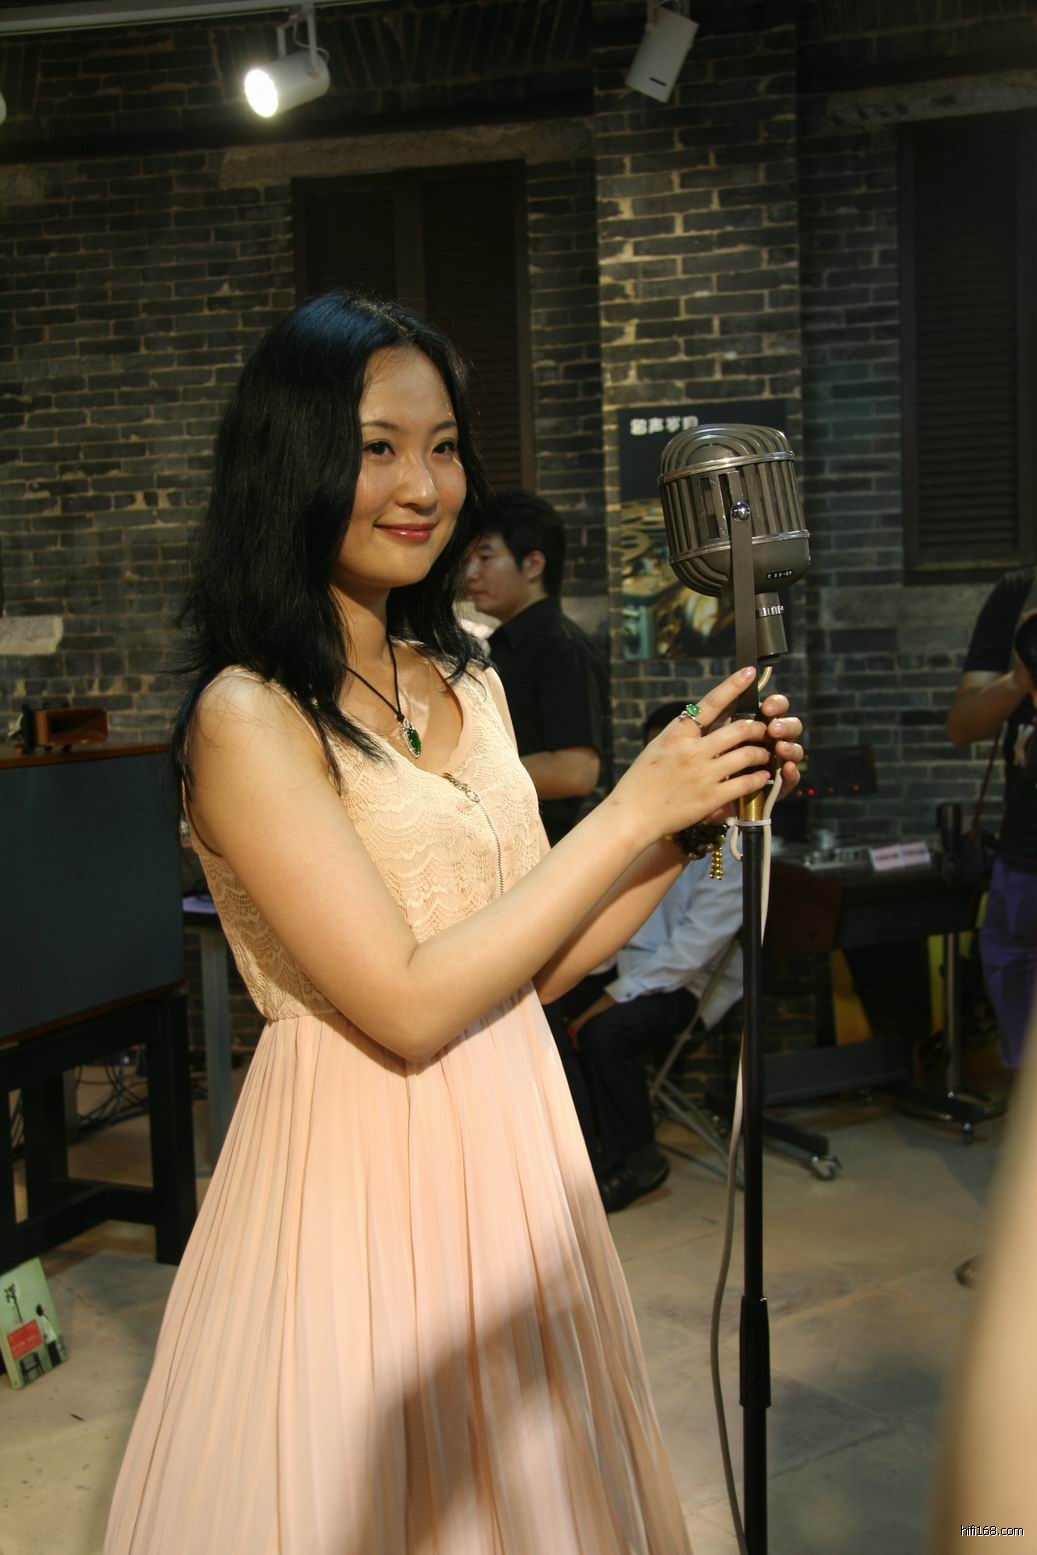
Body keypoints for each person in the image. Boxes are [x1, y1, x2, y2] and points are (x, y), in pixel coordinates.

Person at [103, 289, 803, 1555]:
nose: (422, 486)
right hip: (354, 1151)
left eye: (442, 447)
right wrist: (628, 803)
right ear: (292, 459)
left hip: (513, 1129)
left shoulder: (468, 677)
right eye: (377, 447)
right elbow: (408, 1001)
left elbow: (539, 958)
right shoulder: (248, 717)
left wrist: (688, 818)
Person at [552, 700, 744, 1213]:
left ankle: (637, 1159)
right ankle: (579, 1157)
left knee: (604, 1033)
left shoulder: (729, 841)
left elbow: (694, 948)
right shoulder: (641, 822)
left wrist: (614, 996)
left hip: (686, 983)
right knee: (545, 1014)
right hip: (627, 965)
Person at [464, 491, 607, 844]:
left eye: (485, 558)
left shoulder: (560, 645)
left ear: (533, 565)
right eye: (468, 560)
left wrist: (463, 779)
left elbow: (575, 771)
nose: (470, 574)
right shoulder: (501, 645)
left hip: (543, 846)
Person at [948, 570, 1037, 1075]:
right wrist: (1019, 680)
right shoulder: (1019, 595)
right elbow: (962, 726)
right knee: (1024, 1057)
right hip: (1023, 858)